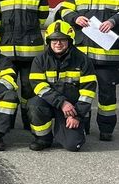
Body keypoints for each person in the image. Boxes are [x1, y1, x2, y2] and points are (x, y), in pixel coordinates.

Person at [59, 0, 119, 141]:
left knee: (107, 97)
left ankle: (106, 129)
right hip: (81, 56)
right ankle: (81, 125)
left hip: (106, 57)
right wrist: (75, 18)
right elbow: (64, 11)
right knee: (80, 93)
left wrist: (114, 21)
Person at [0, 0, 49, 128]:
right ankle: (5, 122)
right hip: (7, 51)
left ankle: (27, 121)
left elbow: (42, 18)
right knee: (6, 86)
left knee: (28, 88)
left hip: (30, 52)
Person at [28, 20, 97, 152]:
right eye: (54, 40)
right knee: (34, 104)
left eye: (62, 40)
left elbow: (88, 92)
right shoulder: (40, 60)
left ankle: (80, 129)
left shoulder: (83, 60)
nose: (58, 43)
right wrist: (62, 102)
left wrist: (77, 115)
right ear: (48, 41)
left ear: (70, 41)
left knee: (73, 145)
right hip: (51, 103)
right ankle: (43, 138)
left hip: (73, 109)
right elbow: (38, 86)